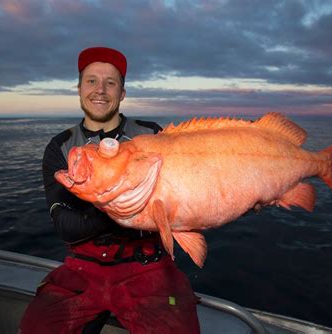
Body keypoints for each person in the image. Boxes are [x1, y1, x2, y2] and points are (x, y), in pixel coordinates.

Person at [19, 47, 200, 334]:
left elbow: (187, 190)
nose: (100, 90)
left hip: (148, 267)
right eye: (91, 81)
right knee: (36, 327)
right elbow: (65, 225)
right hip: (83, 269)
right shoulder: (62, 147)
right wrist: (119, 202)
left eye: (110, 82)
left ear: (123, 92)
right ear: (79, 89)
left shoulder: (152, 135)